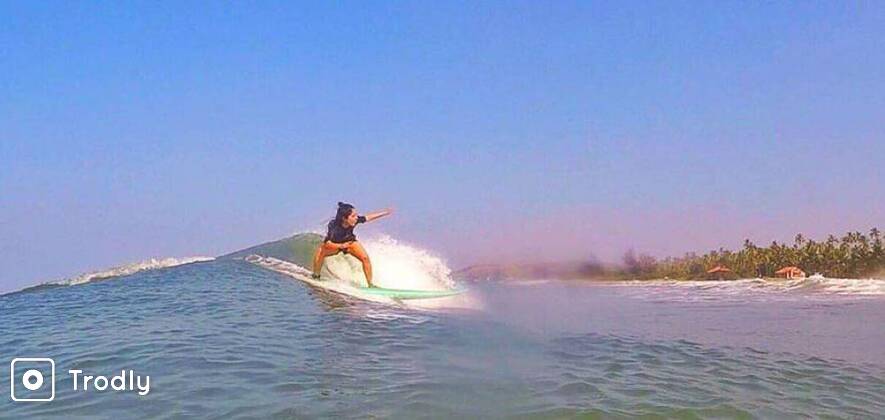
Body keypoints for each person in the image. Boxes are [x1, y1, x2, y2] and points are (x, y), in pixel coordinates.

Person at [312, 202, 393, 287]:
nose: (356, 218)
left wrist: (384, 213)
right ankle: (316, 275)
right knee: (321, 251)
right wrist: (341, 246)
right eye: (353, 216)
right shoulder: (334, 226)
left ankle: (370, 284)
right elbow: (327, 243)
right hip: (336, 245)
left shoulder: (355, 220)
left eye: (356, 215)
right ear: (344, 218)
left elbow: (368, 217)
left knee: (365, 258)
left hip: (350, 243)